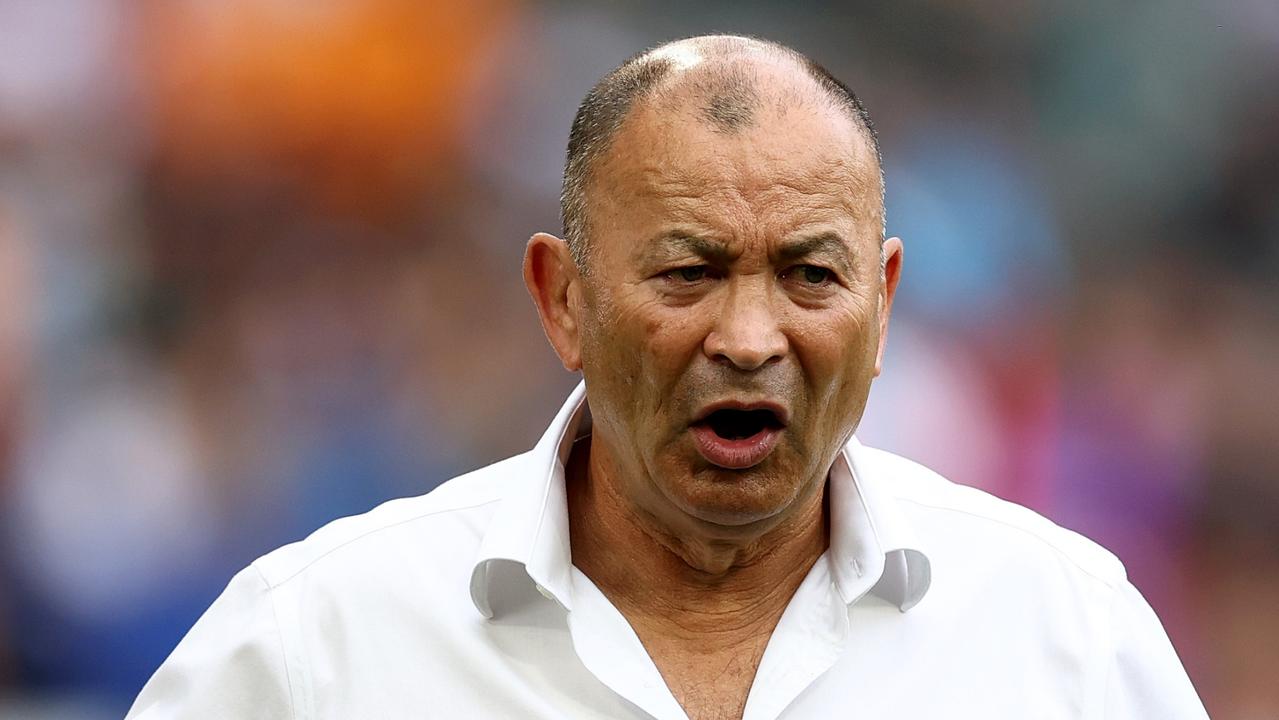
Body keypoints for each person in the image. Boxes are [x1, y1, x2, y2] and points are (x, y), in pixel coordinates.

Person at [127, 35, 1208, 719]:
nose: (748, 337)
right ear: (563, 302)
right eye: (688, 273)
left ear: (881, 306)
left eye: (807, 275)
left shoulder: (1062, 636)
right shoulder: (319, 644)